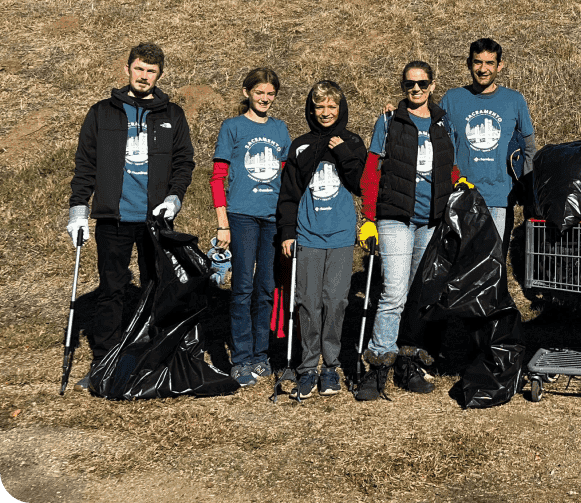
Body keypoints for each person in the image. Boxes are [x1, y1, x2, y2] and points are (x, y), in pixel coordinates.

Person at [67, 42, 195, 389]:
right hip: (114, 218)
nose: (144, 76)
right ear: (127, 70)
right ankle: (104, 363)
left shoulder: (172, 115)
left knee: (157, 289)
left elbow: (184, 163)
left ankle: (153, 359)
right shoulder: (101, 112)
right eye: (138, 69)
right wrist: (78, 211)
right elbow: (85, 165)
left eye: (151, 71)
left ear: (160, 75)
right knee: (112, 290)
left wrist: (174, 198)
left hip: (155, 221)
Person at [355, 61, 455, 400]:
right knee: (394, 292)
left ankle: (408, 362)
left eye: (422, 83)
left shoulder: (444, 122)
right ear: (402, 86)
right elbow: (371, 170)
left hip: (432, 219)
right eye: (410, 84)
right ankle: (378, 364)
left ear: (432, 84)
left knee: (419, 295)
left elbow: (451, 167)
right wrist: (368, 218)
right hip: (396, 216)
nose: (416, 89)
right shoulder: (388, 120)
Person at [276, 80, 366, 399]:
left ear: (340, 109)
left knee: (336, 300)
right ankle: (307, 366)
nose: (326, 112)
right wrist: (288, 232)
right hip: (308, 236)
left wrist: (341, 150)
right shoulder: (300, 145)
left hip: (341, 236)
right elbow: (288, 194)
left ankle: (330, 366)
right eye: (320, 106)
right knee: (308, 301)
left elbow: (360, 184)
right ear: (311, 109)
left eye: (332, 106)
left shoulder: (352, 142)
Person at [211, 67, 290, 388]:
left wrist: (287, 222)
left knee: (266, 288)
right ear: (247, 93)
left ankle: (261, 354)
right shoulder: (232, 127)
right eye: (259, 92)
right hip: (241, 217)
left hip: (273, 219)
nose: (265, 99)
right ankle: (241, 358)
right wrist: (222, 224)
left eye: (271, 93)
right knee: (242, 287)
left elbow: (286, 182)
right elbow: (217, 178)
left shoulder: (280, 129)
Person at [439, 38, 536, 264]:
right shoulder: (451, 99)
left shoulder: (514, 100)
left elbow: (529, 147)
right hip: (462, 195)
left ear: (499, 65)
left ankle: (492, 301)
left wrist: (528, 189)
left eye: (490, 63)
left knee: (493, 263)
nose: (483, 69)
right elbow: (436, 140)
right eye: (477, 62)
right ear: (468, 63)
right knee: (462, 261)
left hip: (499, 197)